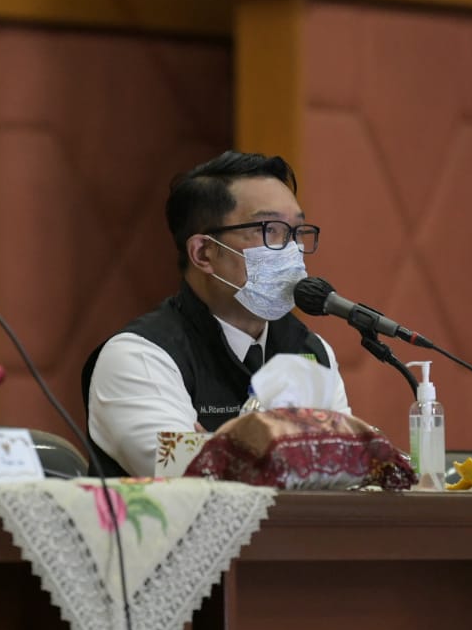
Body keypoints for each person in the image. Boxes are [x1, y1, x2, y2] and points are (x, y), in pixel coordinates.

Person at [82, 150, 350, 476]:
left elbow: (346, 467)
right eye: (269, 229)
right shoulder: (140, 356)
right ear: (204, 253)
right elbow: (190, 476)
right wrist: (303, 453)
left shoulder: (311, 350)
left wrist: (218, 446)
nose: (291, 249)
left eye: (295, 231)